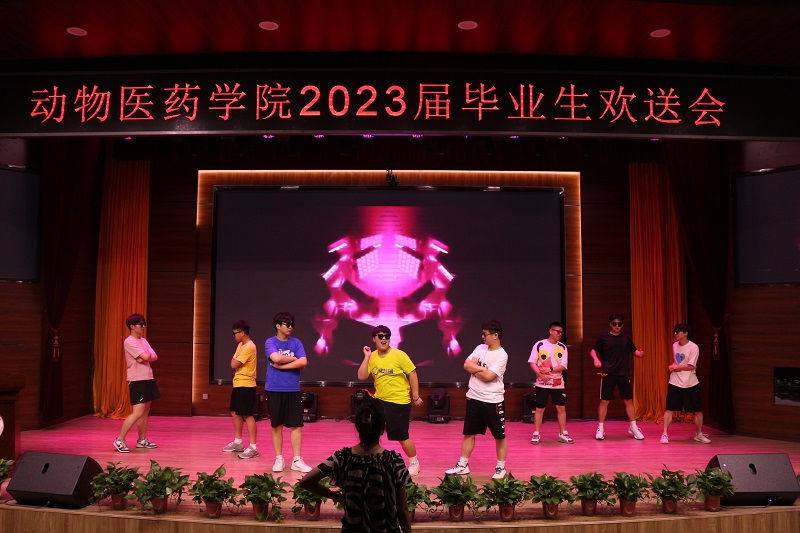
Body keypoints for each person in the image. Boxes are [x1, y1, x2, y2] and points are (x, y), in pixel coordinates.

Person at [298, 398, 412, 533]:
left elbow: (305, 482)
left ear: (357, 427)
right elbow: (402, 510)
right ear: (383, 428)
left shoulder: (342, 458)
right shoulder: (393, 461)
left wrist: (337, 497)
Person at [445, 319, 509, 479]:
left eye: (485, 334)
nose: (482, 337)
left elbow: (488, 377)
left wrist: (475, 369)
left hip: (493, 401)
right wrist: (482, 369)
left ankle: (500, 467)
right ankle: (463, 465)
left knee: (499, 436)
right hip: (473, 398)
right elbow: (466, 365)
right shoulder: (480, 348)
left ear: (495, 335)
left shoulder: (502, 355)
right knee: (469, 433)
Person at [357, 325, 423, 476]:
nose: (384, 339)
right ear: (374, 339)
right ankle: (371, 460)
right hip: (379, 401)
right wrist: (366, 357)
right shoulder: (372, 356)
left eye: (387, 336)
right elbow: (361, 376)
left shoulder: (399, 355)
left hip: (398, 402)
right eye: (380, 336)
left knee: (401, 435)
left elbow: (412, 373)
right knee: (372, 432)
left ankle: (414, 463)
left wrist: (415, 396)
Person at [264, 312, 312, 473]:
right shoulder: (270, 342)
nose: (291, 327)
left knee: (296, 425)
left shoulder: (296, 342)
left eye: (292, 324)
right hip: (274, 389)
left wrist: (282, 366)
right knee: (276, 425)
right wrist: (294, 359)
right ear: (278, 326)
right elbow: (276, 358)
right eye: (287, 324)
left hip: (292, 389)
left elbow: (304, 361)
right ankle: (279, 459)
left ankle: (297, 460)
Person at [590, 313, 645, 440]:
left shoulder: (626, 338)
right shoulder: (604, 337)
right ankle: (600, 428)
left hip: (623, 373)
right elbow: (593, 350)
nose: (617, 326)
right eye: (614, 323)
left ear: (622, 325)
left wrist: (640, 354)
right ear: (610, 324)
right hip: (608, 373)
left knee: (628, 400)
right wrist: (596, 360)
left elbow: (635, 351)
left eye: (619, 324)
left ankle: (633, 427)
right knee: (604, 401)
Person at [114, 313, 160, 453]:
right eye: (141, 324)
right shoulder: (129, 341)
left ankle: (142, 439)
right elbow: (147, 355)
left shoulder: (144, 341)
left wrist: (145, 358)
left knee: (145, 411)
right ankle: (119, 439)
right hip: (137, 379)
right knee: (138, 411)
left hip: (148, 377)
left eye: (144, 324)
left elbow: (154, 356)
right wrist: (146, 356)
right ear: (132, 326)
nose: (143, 327)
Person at [661, 323, 711, 444]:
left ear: (686, 333)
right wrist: (675, 367)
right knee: (669, 409)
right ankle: (664, 434)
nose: (675, 334)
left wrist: (675, 367)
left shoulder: (694, 347)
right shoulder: (674, 345)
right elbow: (678, 361)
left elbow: (691, 366)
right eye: (675, 331)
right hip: (675, 382)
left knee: (697, 410)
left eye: (678, 331)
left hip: (691, 383)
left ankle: (699, 434)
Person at [528, 321, 573, 444]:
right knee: (540, 408)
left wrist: (550, 369)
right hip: (542, 383)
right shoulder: (539, 344)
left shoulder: (562, 347)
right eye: (557, 331)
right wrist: (540, 374)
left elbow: (563, 365)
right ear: (551, 331)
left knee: (561, 408)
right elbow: (532, 362)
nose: (560, 334)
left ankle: (562, 433)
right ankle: (536, 433)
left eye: (561, 332)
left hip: (558, 383)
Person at [223, 319, 259, 458]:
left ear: (242, 333)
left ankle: (253, 446)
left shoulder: (250, 346)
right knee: (235, 412)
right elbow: (232, 362)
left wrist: (235, 360)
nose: (234, 336)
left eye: (235, 333)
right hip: (238, 383)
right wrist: (235, 360)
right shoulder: (240, 345)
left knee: (247, 415)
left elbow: (234, 364)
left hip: (246, 384)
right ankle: (238, 442)